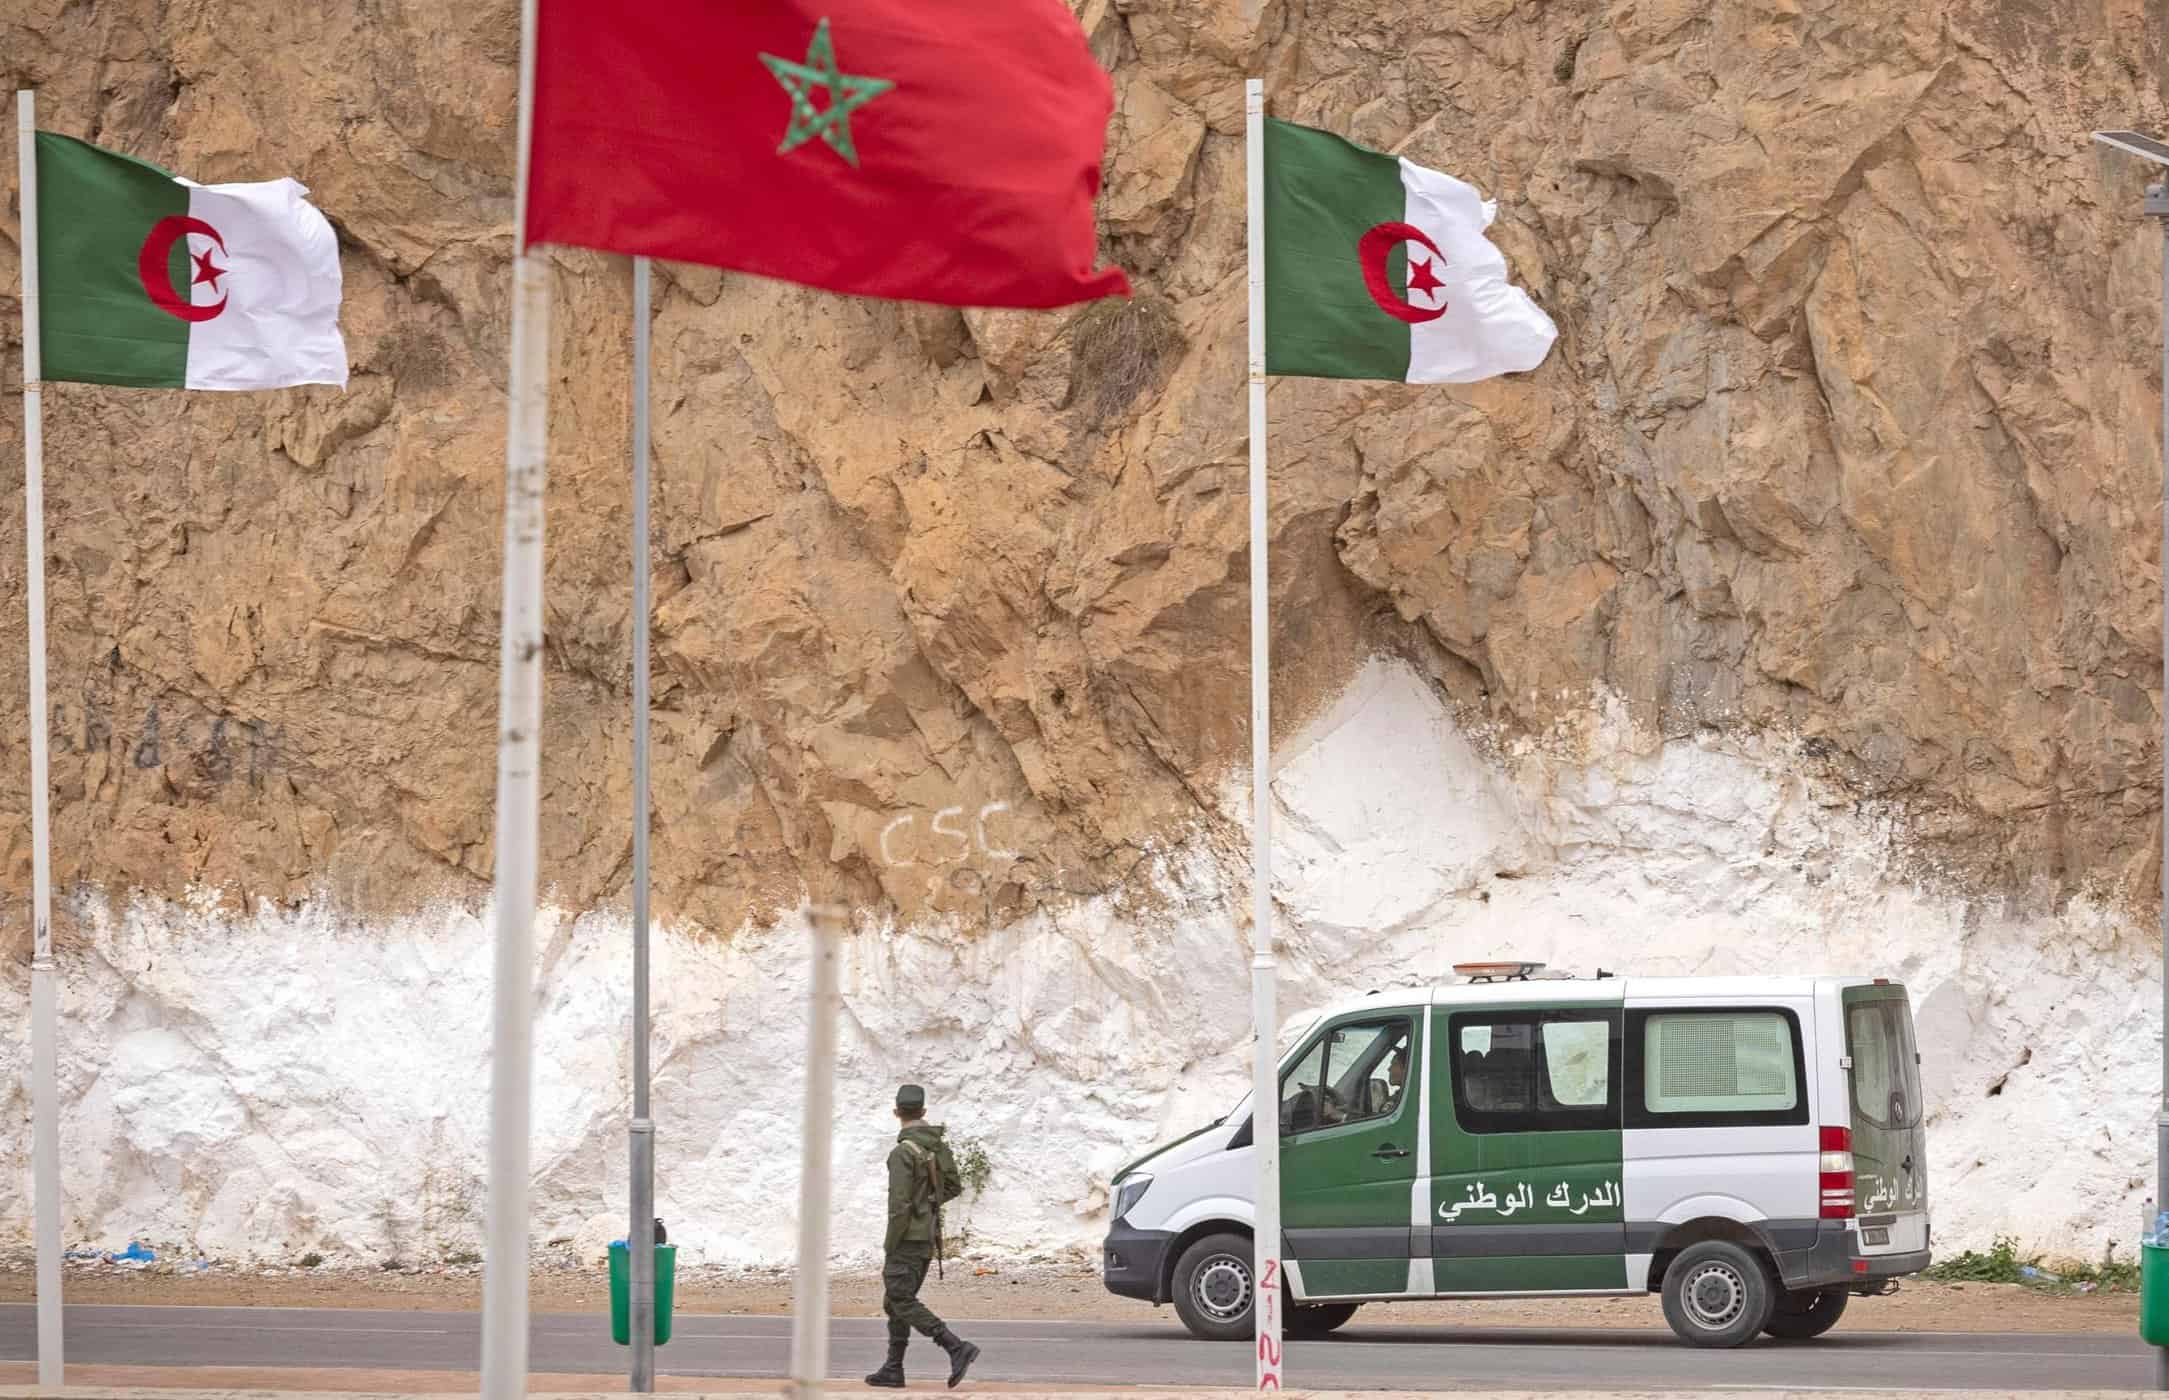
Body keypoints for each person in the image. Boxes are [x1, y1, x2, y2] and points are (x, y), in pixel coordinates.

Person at [866, 1084, 980, 1389]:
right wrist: (928, 1204)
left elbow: (899, 1206)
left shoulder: (902, 1153)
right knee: (895, 1301)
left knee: (900, 1298)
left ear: (896, 1112)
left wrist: (891, 1243)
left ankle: (955, 1346)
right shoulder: (937, 1147)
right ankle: (893, 1369)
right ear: (924, 1111)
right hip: (927, 1237)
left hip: (906, 1240)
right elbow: (953, 1186)